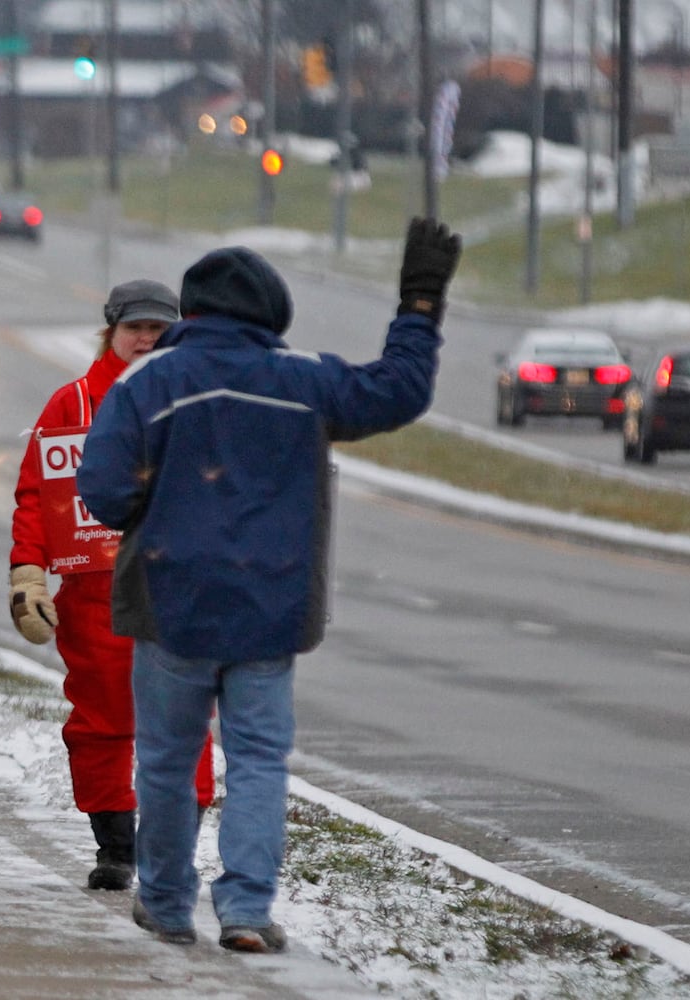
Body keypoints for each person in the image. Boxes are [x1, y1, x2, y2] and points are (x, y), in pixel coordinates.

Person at [77, 219, 463, 952]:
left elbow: (99, 490)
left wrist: (156, 516)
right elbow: (400, 390)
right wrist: (419, 303)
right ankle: (247, 910)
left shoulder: (149, 382)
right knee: (256, 759)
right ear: (272, 315)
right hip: (270, 604)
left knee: (163, 758)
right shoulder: (303, 381)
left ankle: (163, 902)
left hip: (169, 602)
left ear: (190, 313)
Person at [8, 280, 216, 892]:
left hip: (181, 593)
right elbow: (33, 499)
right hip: (97, 594)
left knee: (183, 721)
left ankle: (170, 846)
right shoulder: (69, 406)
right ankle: (116, 848)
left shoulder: (202, 404)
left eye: (159, 330)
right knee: (102, 722)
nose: (147, 340)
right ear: (112, 331)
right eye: (136, 329)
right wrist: (28, 574)